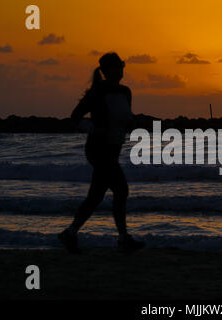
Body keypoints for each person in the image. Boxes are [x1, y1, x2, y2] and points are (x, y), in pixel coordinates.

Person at [59, 52, 145, 253]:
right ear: (106, 70)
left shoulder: (126, 91)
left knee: (96, 196)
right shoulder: (97, 92)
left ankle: (70, 233)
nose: (121, 70)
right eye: (117, 66)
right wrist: (94, 129)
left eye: (122, 66)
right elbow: (75, 117)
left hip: (114, 149)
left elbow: (125, 118)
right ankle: (123, 239)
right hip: (98, 149)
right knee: (121, 190)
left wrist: (135, 123)